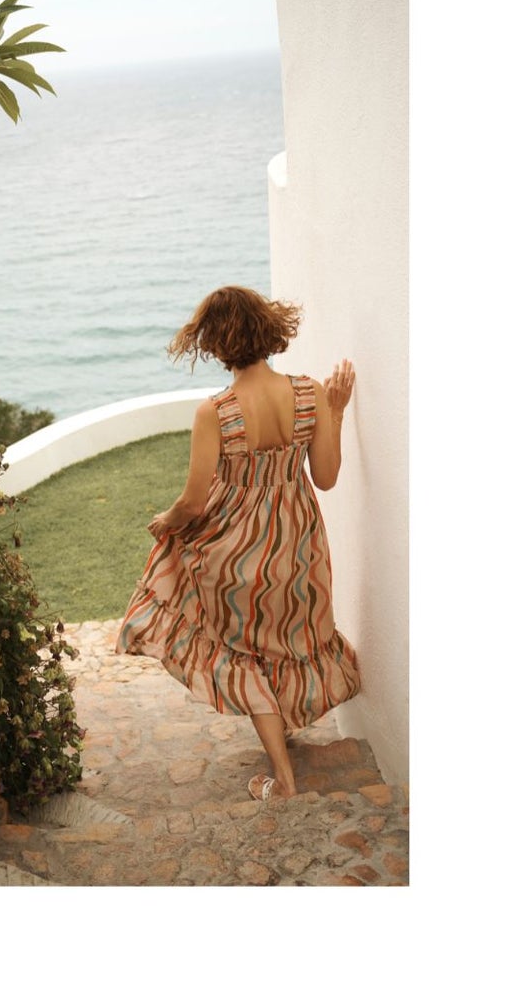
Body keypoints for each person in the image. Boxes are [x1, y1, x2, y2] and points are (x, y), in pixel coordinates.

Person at [116, 285, 362, 804]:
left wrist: (166, 521)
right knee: (285, 639)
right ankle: (282, 734)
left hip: (235, 551)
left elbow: (193, 501)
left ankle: (284, 780)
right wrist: (336, 412)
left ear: (215, 344)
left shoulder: (216, 412)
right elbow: (326, 478)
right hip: (298, 543)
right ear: (268, 329)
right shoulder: (310, 393)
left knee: (244, 649)